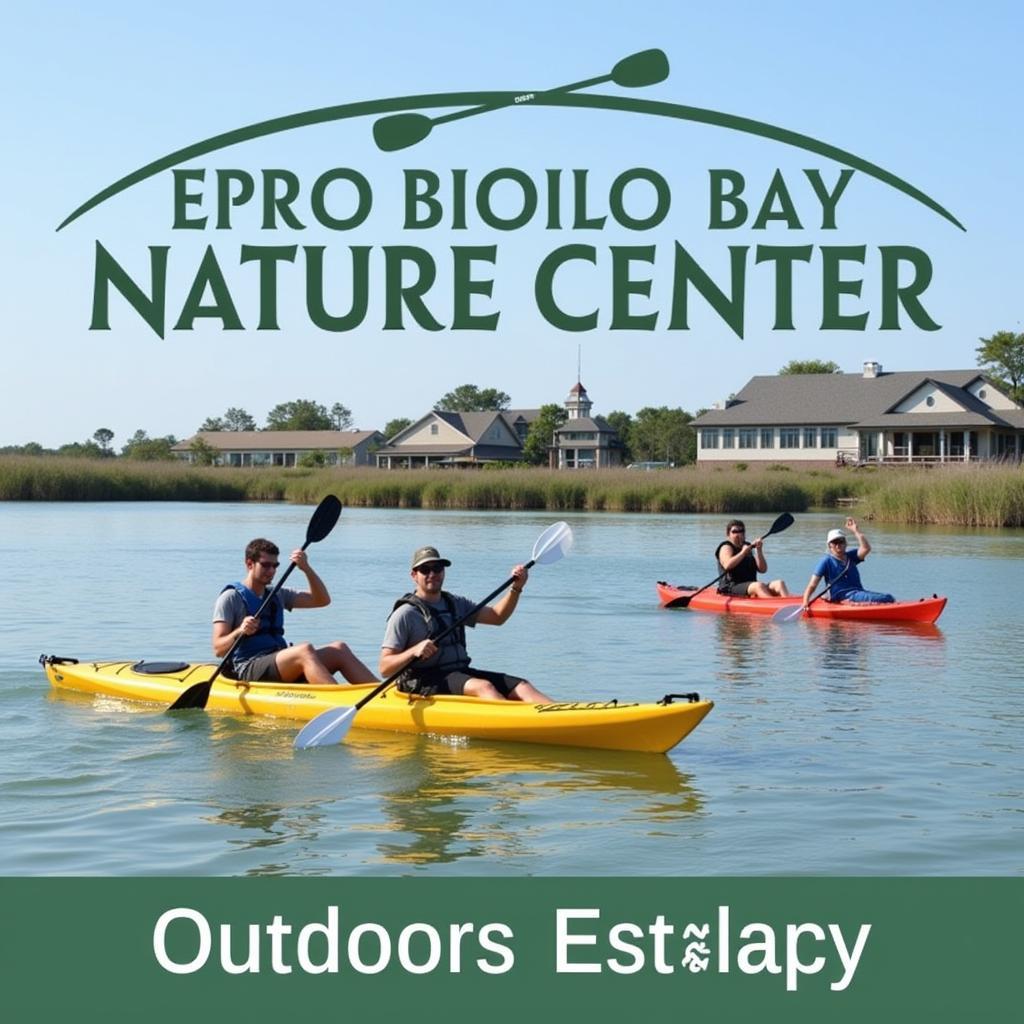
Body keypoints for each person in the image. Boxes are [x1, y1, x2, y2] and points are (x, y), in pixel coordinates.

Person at [380, 545, 554, 702]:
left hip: (460, 673)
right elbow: (385, 668)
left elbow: (497, 617)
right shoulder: (404, 614)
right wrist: (414, 651)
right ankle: (518, 725)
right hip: (423, 680)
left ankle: (565, 717)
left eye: (437, 568)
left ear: (443, 572)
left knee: (522, 686)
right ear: (414, 575)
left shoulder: (455, 603)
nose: (432, 574)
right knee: (484, 687)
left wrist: (516, 588)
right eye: (425, 569)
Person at [212, 537, 375, 684]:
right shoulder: (230, 598)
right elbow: (218, 649)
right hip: (248, 667)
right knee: (304, 650)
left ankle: (381, 695)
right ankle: (340, 704)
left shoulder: (277, 594)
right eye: (266, 565)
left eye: (275, 565)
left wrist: (306, 569)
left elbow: (322, 600)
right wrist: (240, 631)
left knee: (339, 649)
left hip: (279, 660)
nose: (271, 571)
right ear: (249, 564)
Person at [801, 518, 894, 606]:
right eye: (834, 542)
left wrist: (855, 531)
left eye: (841, 541)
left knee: (889, 597)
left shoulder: (851, 556)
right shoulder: (826, 561)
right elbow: (812, 585)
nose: (838, 545)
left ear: (845, 543)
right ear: (829, 546)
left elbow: (866, 548)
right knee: (885, 598)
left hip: (858, 593)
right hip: (842, 596)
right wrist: (805, 601)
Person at [715, 519, 790, 598]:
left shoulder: (747, 547)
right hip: (731, 587)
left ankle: (790, 605)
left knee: (779, 583)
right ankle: (774, 606)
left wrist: (759, 550)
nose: (738, 534)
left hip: (751, 586)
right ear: (728, 534)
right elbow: (727, 565)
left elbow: (762, 569)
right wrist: (743, 553)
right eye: (735, 532)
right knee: (758, 586)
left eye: (741, 531)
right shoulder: (726, 547)